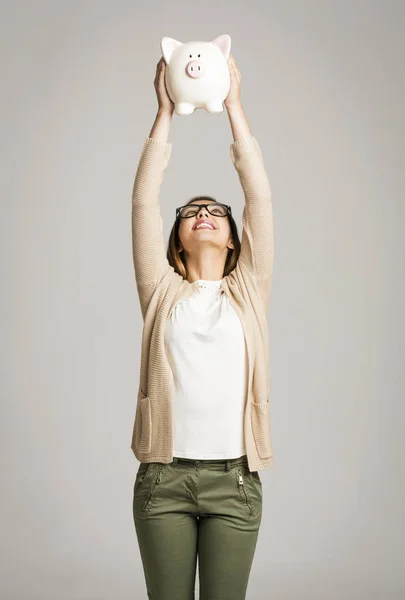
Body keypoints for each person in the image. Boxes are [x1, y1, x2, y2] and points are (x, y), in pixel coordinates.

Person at [131, 53, 275, 600]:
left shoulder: (249, 291)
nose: (205, 214)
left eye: (216, 210)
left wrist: (234, 106)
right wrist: (165, 111)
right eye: (191, 212)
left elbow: (258, 196)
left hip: (235, 481)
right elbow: (145, 201)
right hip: (162, 481)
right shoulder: (161, 293)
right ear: (177, 239)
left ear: (234, 237)